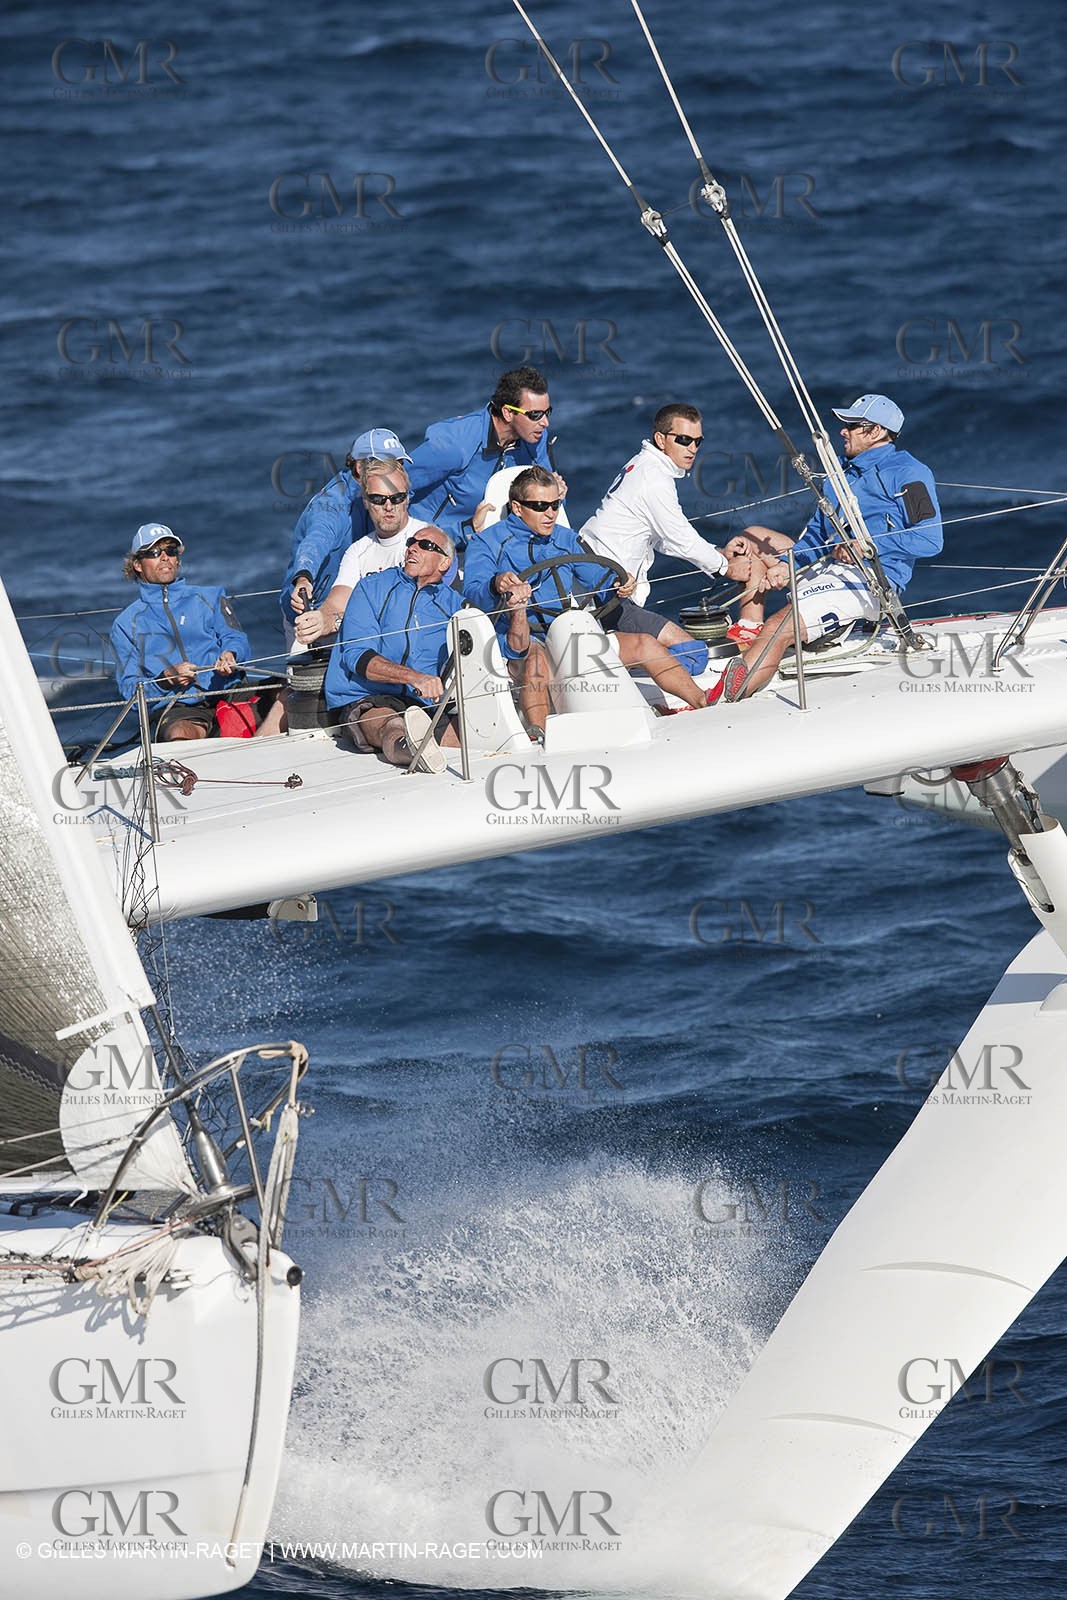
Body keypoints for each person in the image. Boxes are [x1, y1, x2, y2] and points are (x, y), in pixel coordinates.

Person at [714, 394, 943, 702]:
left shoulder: (908, 473)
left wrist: (866, 546)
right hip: (833, 566)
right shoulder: (839, 477)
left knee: (780, 625)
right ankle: (748, 628)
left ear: (875, 432)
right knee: (752, 540)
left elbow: (930, 539)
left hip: (873, 581)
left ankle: (720, 700)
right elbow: (814, 538)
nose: (842, 431)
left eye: (852, 425)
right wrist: (787, 566)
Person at [464, 466, 716, 725]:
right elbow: (473, 592)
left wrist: (619, 582)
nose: (551, 514)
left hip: (565, 634)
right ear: (517, 508)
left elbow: (598, 577)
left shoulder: (564, 538)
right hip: (519, 643)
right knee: (536, 663)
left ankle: (704, 702)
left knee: (644, 643)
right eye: (540, 506)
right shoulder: (487, 542)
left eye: (555, 504)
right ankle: (539, 735)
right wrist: (496, 584)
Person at [324, 525, 530, 772]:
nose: (413, 548)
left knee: (478, 743)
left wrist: (518, 610)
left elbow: (512, 650)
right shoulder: (372, 588)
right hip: (366, 695)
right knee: (391, 726)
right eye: (411, 542)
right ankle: (411, 751)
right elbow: (358, 658)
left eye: (425, 545)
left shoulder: (456, 606)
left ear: (445, 563)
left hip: (421, 705)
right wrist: (416, 678)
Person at [579, 402, 768, 645]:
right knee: (690, 650)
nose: (692, 448)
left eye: (697, 441)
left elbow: (662, 538)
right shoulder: (654, 477)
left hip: (598, 581)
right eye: (683, 440)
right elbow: (679, 536)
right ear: (661, 439)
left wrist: (717, 552)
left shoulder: (643, 464)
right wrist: (726, 568)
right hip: (604, 591)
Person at [112, 525, 285, 740]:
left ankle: (260, 751)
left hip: (230, 691)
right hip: (180, 708)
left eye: (171, 551)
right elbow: (130, 690)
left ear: (178, 559)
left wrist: (231, 654)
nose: (165, 557)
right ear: (137, 564)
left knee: (292, 692)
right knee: (179, 734)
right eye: (154, 553)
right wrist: (166, 679)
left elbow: (236, 638)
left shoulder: (210, 597)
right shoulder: (126, 623)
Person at [406, 366, 562, 546]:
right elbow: (392, 488)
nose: (545, 423)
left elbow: (543, 501)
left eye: (547, 412)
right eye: (535, 415)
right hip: (430, 546)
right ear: (508, 412)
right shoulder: (456, 444)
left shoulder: (537, 440)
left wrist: (557, 495)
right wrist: (465, 530)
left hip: (490, 546)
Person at [281, 428, 412, 637]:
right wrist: (303, 579)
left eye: (398, 464)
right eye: (384, 465)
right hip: (316, 615)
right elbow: (316, 541)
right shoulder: (332, 505)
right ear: (360, 467)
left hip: (364, 610)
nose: (392, 472)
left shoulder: (393, 491)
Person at [293, 461, 431, 647]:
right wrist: (322, 622)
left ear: (407, 498)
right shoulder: (357, 552)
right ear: (366, 502)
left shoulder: (429, 541)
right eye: (378, 499)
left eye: (397, 498)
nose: (389, 506)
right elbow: (336, 605)